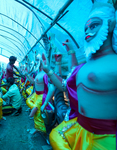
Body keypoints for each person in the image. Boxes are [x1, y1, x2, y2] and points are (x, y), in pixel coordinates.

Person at [42, 2, 117, 149]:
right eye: (86, 28)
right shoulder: (83, 67)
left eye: (94, 25)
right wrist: (48, 70)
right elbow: (65, 86)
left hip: (105, 138)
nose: (88, 31)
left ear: (111, 24)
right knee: (55, 136)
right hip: (79, 126)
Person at [25, 54, 55, 134]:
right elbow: (34, 82)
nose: (36, 62)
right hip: (36, 95)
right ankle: (37, 128)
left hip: (41, 96)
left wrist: (46, 101)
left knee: (38, 114)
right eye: (36, 60)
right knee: (29, 101)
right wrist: (27, 75)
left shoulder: (45, 74)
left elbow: (51, 88)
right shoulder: (39, 73)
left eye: (38, 60)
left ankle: (43, 131)